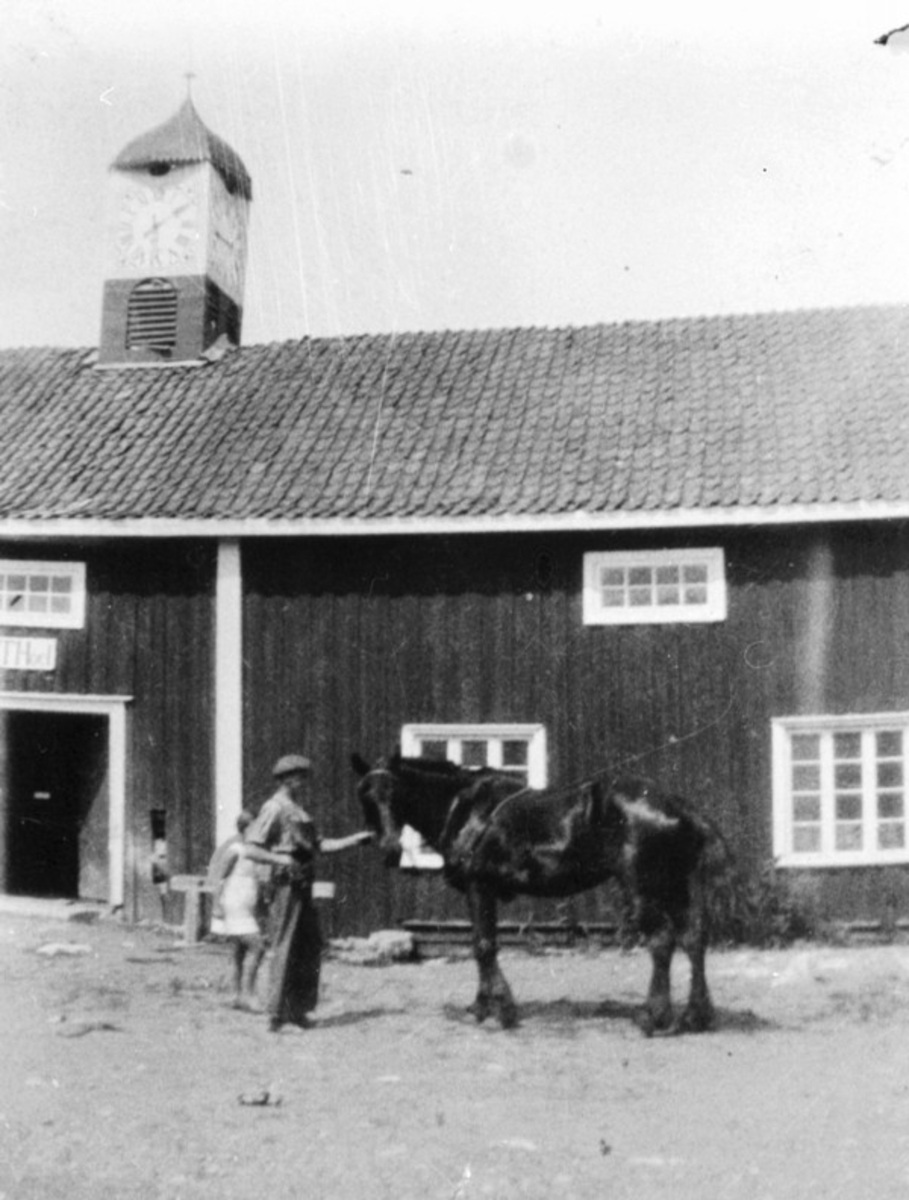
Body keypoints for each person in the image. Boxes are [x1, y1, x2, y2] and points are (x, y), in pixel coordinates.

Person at [243, 754, 373, 1032]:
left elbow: (318, 846)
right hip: (285, 884)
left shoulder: (298, 809)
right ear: (285, 779)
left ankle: (298, 1011)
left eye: (304, 776)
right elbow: (251, 848)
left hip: (303, 882)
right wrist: (281, 860)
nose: (303, 781)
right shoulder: (274, 808)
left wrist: (355, 840)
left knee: (307, 948)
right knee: (285, 946)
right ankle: (278, 1017)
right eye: (298, 776)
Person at [205, 810, 271, 1010]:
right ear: (244, 828)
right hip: (234, 903)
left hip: (246, 905)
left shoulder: (254, 850)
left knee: (239, 951)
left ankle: (235, 995)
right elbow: (219, 879)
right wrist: (217, 905)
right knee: (257, 947)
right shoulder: (235, 849)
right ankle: (248, 995)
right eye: (253, 826)